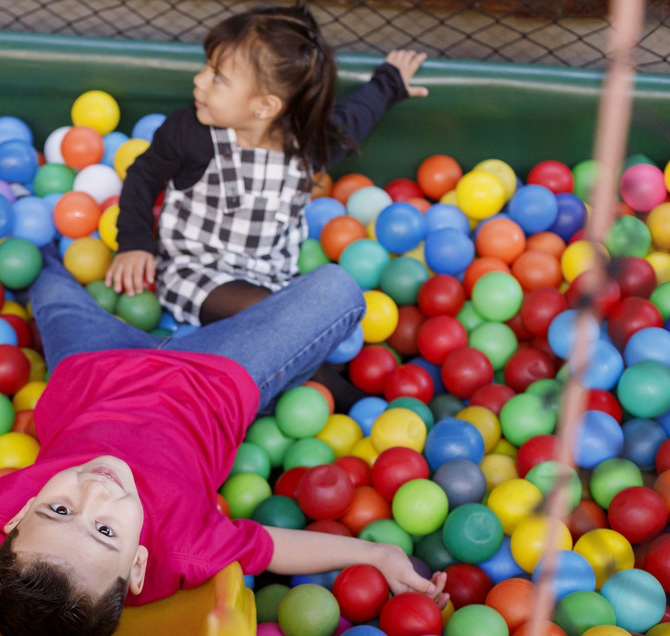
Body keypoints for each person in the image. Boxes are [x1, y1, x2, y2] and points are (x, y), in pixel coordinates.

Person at [0, 245, 446, 636]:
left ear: (14, 521)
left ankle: (157, 277)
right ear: (138, 564)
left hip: (91, 365)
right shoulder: (184, 550)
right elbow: (273, 547)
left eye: (58, 509)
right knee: (339, 290)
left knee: (44, 278)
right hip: (215, 374)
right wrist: (375, 554)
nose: (95, 493)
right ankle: (210, 306)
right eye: (107, 531)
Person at [106, 3, 428, 409]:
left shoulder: (309, 144)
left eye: (217, 77)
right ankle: (348, 400)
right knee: (276, 318)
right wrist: (134, 243)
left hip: (275, 278)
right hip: (196, 272)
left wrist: (391, 81)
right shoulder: (190, 134)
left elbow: (358, 114)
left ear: (264, 106)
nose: (199, 80)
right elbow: (142, 177)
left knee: (306, 323)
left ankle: (316, 377)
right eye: (207, 67)